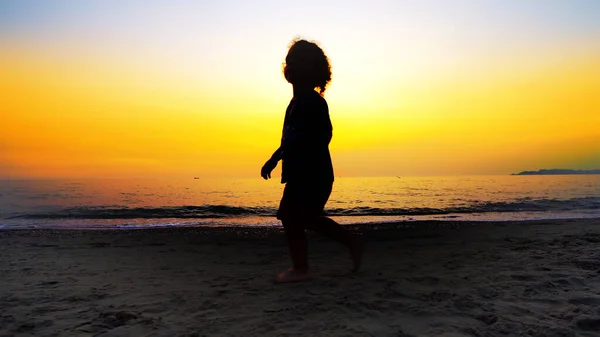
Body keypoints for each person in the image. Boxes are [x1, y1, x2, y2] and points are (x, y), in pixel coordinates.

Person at [261, 38, 364, 283]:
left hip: (313, 173)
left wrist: (304, 154)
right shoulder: (295, 103)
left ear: (315, 70)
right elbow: (289, 139)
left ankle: (302, 268)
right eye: (290, 62)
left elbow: (324, 135)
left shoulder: (314, 102)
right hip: (300, 172)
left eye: (301, 62)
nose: (293, 66)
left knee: (294, 216)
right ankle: (349, 242)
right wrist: (274, 159)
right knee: (300, 218)